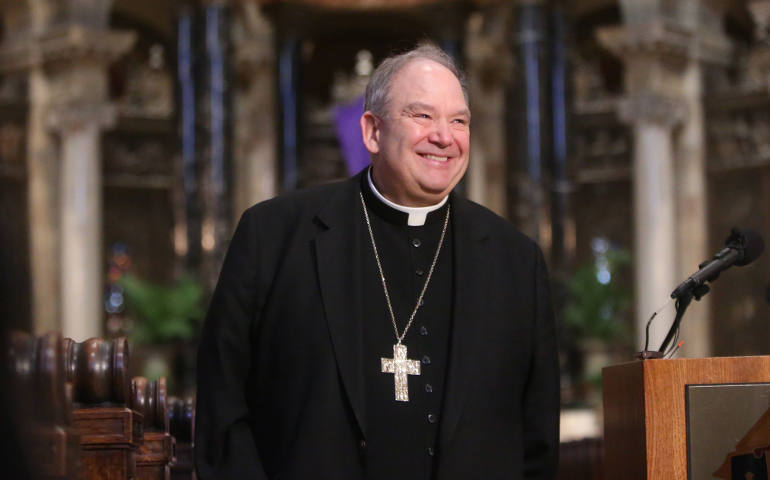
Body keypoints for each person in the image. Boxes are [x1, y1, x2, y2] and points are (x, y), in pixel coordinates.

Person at [195, 42, 559, 480]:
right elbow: (223, 403)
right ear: (372, 131)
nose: (444, 136)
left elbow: (537, 438)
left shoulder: (515, 261)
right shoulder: (273, 236)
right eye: (422, 116)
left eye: (458, 120)